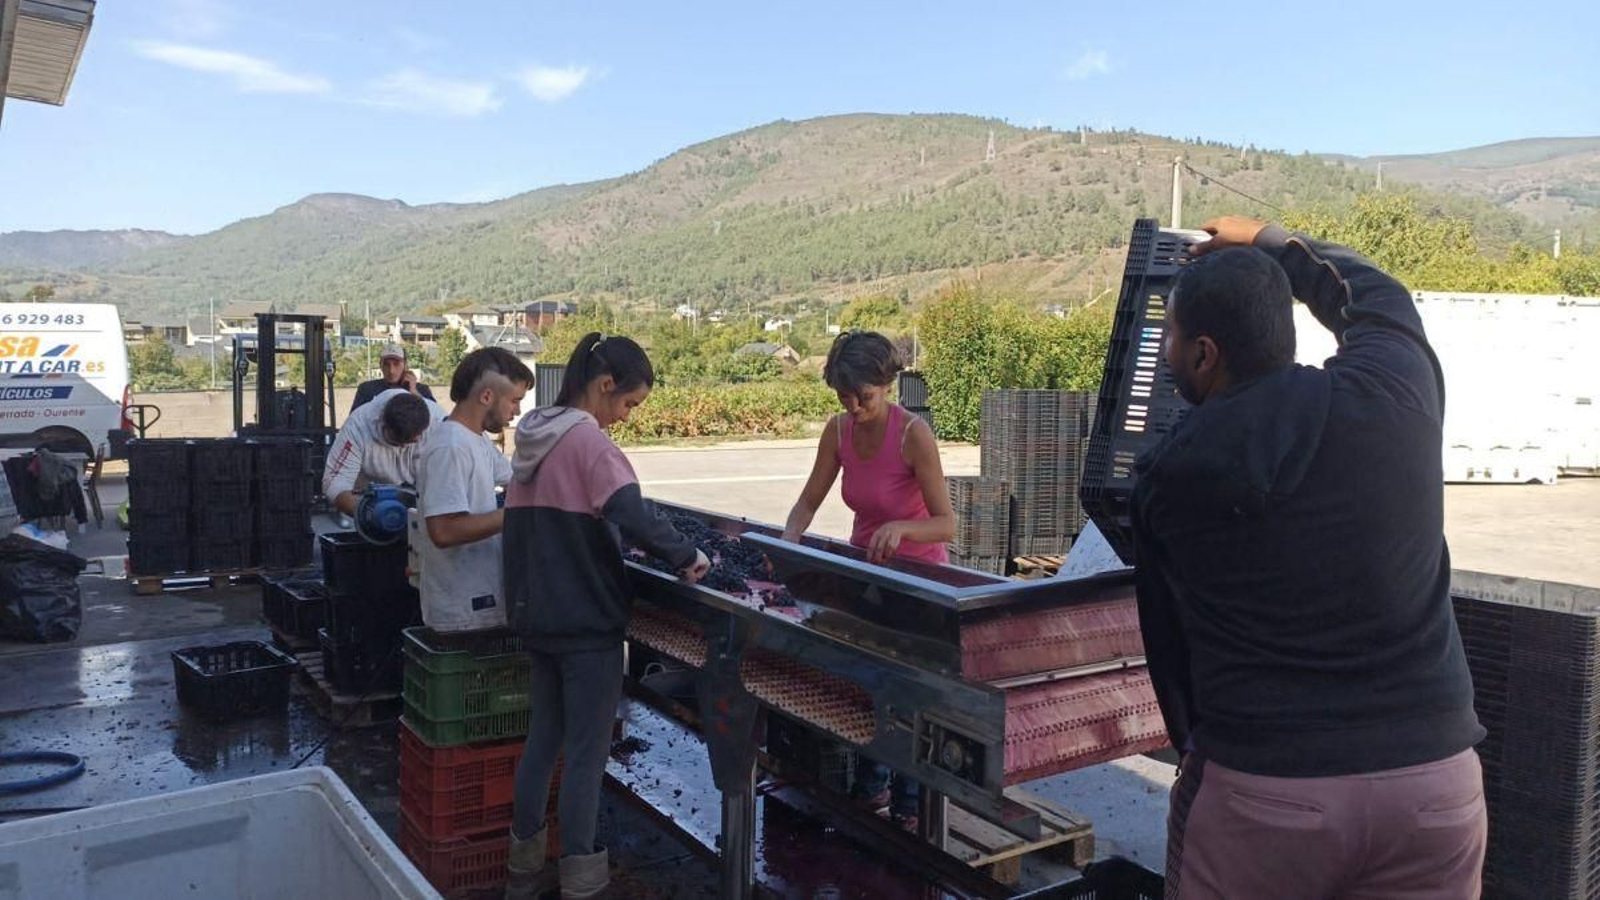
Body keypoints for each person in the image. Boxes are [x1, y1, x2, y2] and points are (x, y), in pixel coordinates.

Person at [1132, 216, 1486, 899]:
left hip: (1265, 791)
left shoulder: (1170, 474)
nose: (1167, 349)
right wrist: (1267, 239)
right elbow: (1375, 294)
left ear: (1204, 354)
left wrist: (1199, 750)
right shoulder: (1397, 392)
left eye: (1171, 336)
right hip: (1434, 785)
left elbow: (1169, 652)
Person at [502, 332, 710, 899]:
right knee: (588, 760)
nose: (624, 417)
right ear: (605, 385)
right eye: (628, 404)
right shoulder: (589, 445)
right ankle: (582, 885)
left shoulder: (534, 438)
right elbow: (628, 510)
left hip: (537, 618)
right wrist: (687, 554)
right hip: (587, 625)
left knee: (541, 744)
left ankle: (520, 879)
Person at [781, 329, 956, 832]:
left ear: (889, 385)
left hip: (918, 581)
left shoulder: (913, 435)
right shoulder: (837, 431)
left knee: (907, 691)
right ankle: (873, 783)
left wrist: (902, 527)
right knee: (868, 684)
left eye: (866, 397)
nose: (855, 408)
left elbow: (947, 522)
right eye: (844, 398)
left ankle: (906, 798)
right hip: (865, 574)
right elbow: (809, 500)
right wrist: (789, 539)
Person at [412, 347, 532, 632]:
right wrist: (516, 513)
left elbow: (519, 480)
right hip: (462, 612)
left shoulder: (476, 440)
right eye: (514, 401)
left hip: (481, 600)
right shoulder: (450, 447)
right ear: (487, 396)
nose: (517, 411)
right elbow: (443, 531)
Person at [321, 388, 443, 517]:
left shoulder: (439, 424)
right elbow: (334, 483)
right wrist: (368, 513)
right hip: (372, 501)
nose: (402, 446)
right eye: (396, 441)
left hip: (426, 502)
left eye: (410, 442)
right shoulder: (358, 427)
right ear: (382, 422)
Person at [350, 344, 435, 412]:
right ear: (380, 366)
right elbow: (354, 421)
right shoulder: (366, 390)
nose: (391, 371)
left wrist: (414, 392)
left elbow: (436, 416)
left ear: (405, 365)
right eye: (387, 365)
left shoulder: (422, 390)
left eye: (396, 364)